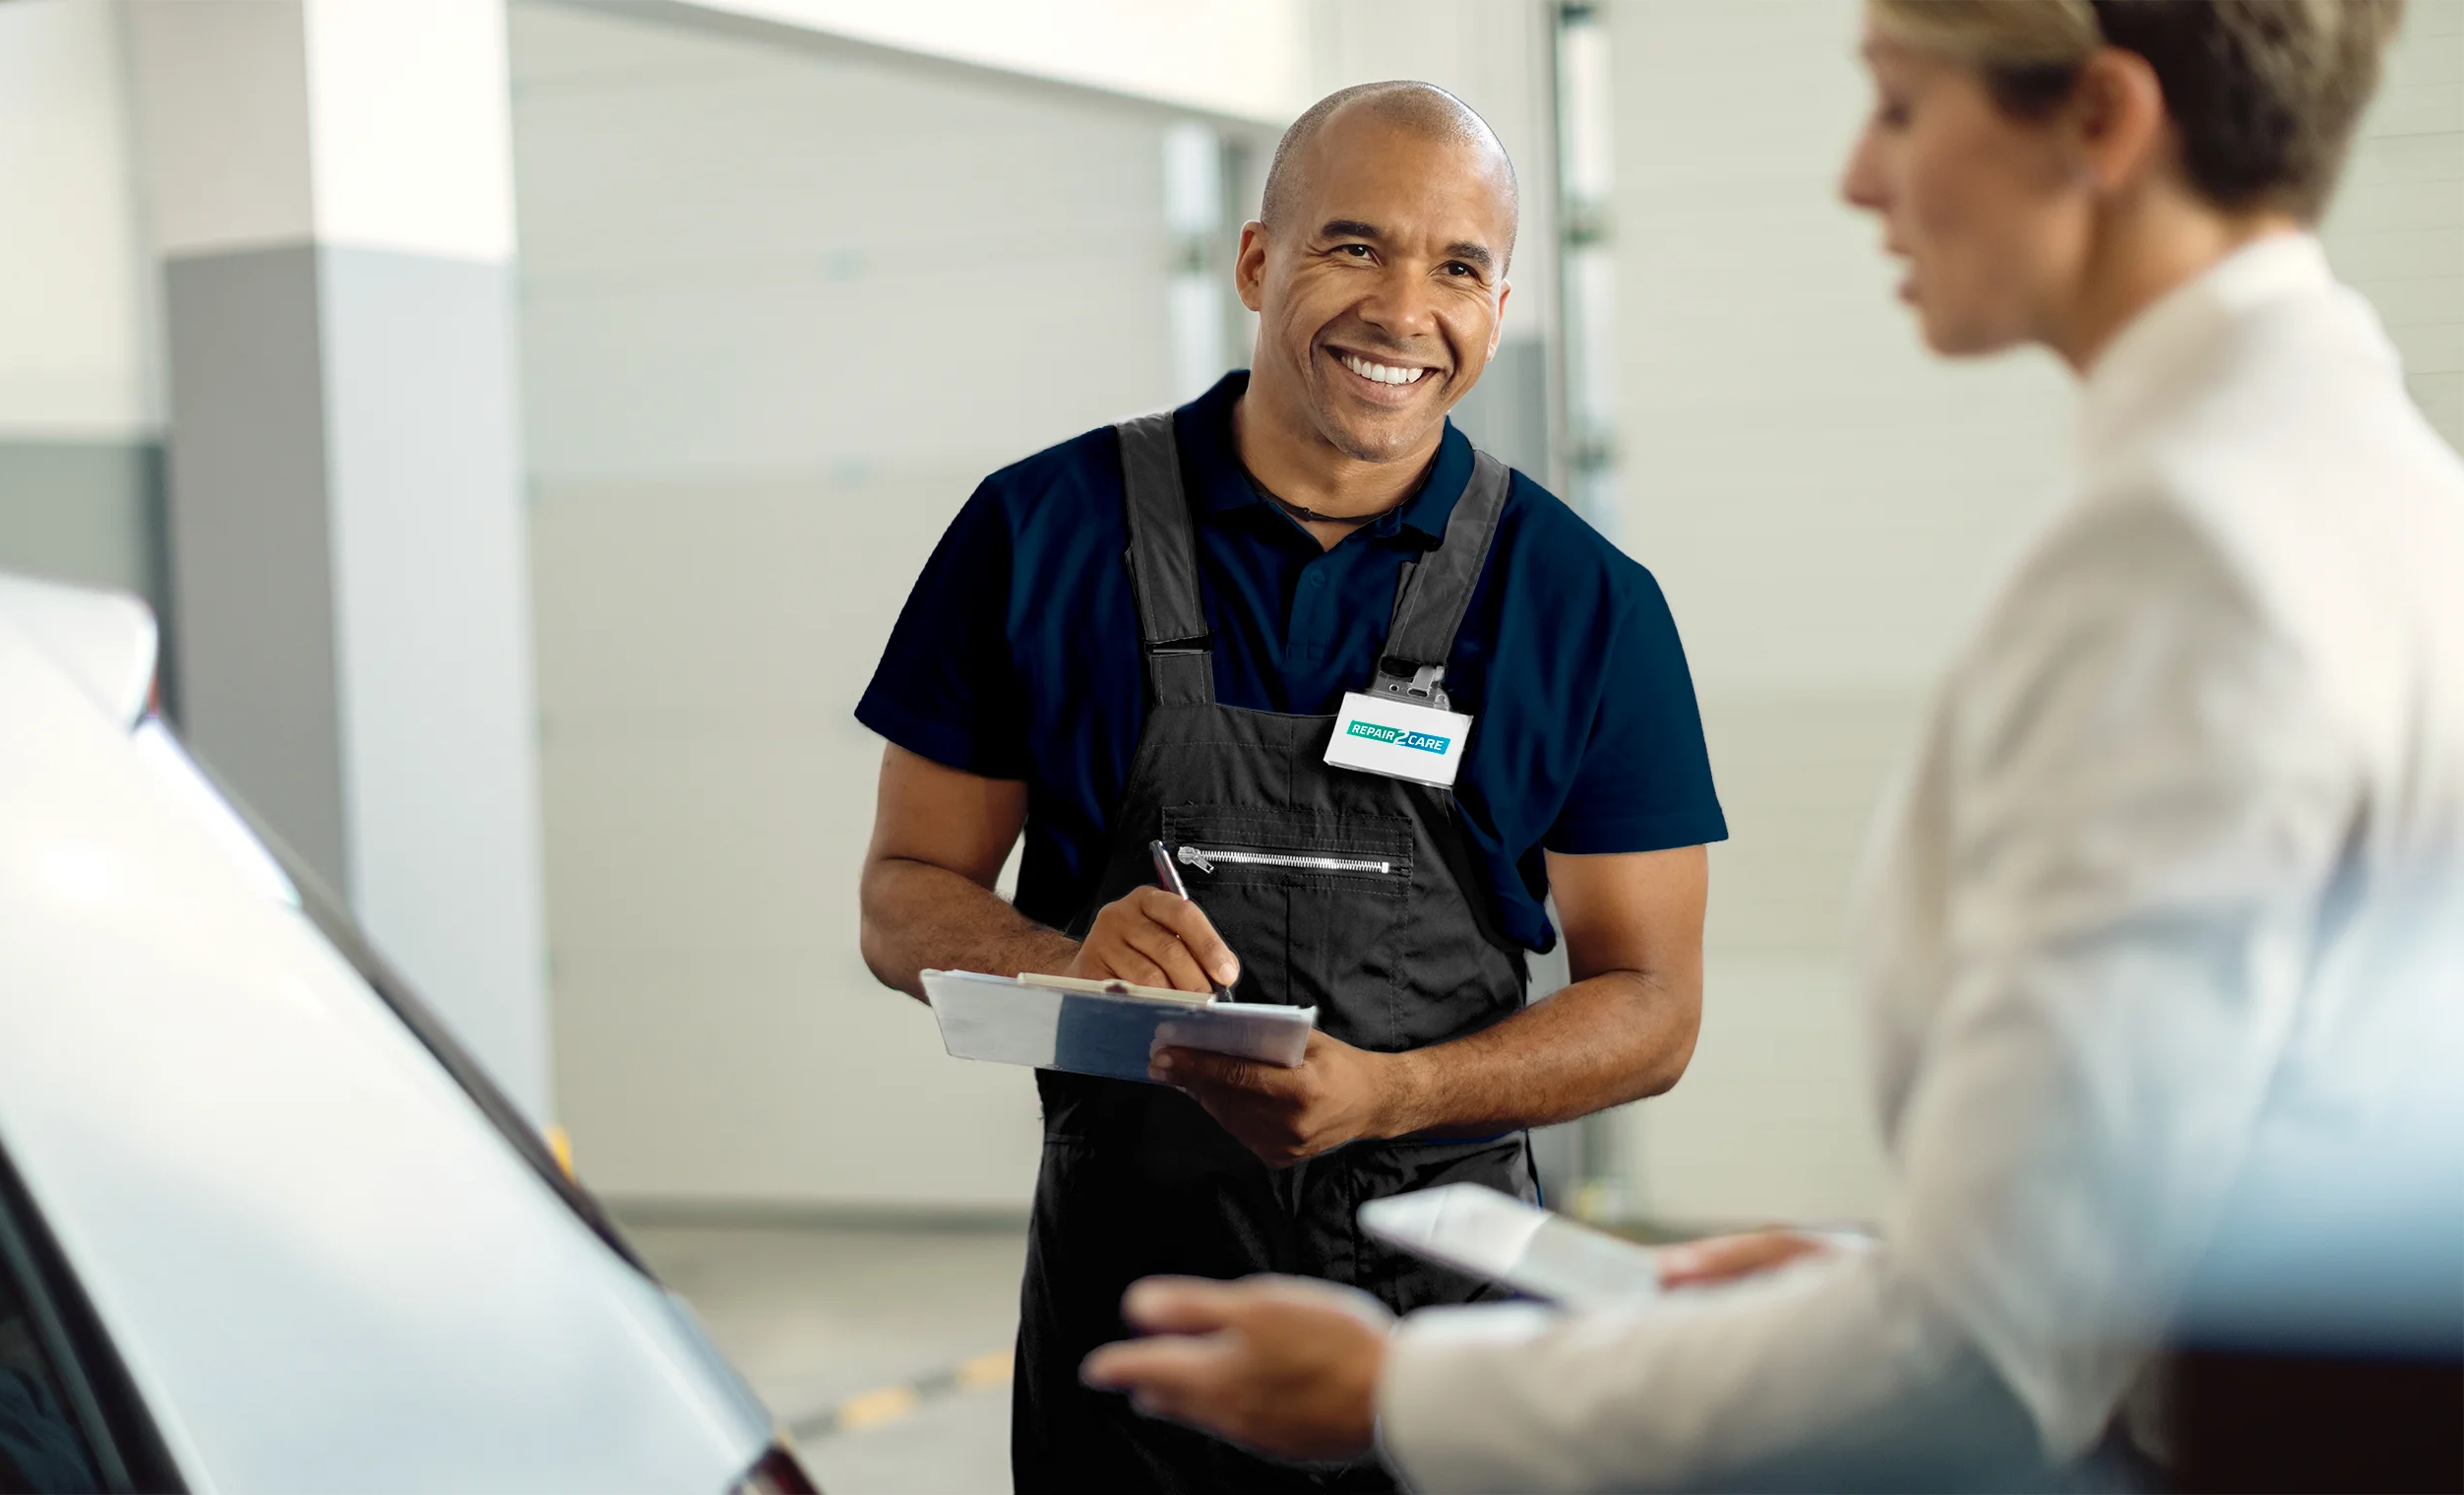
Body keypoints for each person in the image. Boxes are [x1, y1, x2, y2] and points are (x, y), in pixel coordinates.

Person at [1082, 0, 2464, 1489]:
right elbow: (2213, 1183)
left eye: (1900, 106)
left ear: (2102, 123)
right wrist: (1878, 1276)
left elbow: (1986, 1363)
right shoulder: (2375, 485)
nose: (1861, 177)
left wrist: (1406, 1395)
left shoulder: (2187, 556)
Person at [854, 82, 1729, 1492]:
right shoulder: (1038, 535)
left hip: (1453, 1345)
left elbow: (1656, 1007)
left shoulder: (1583, 602)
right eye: (1355, 246)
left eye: (1458, 268)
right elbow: (904, 901)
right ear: (1256, 260)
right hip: (1133, 1330)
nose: (1403, 310)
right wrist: (1065, 958)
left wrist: (1394, 1094)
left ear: (1499, 306)